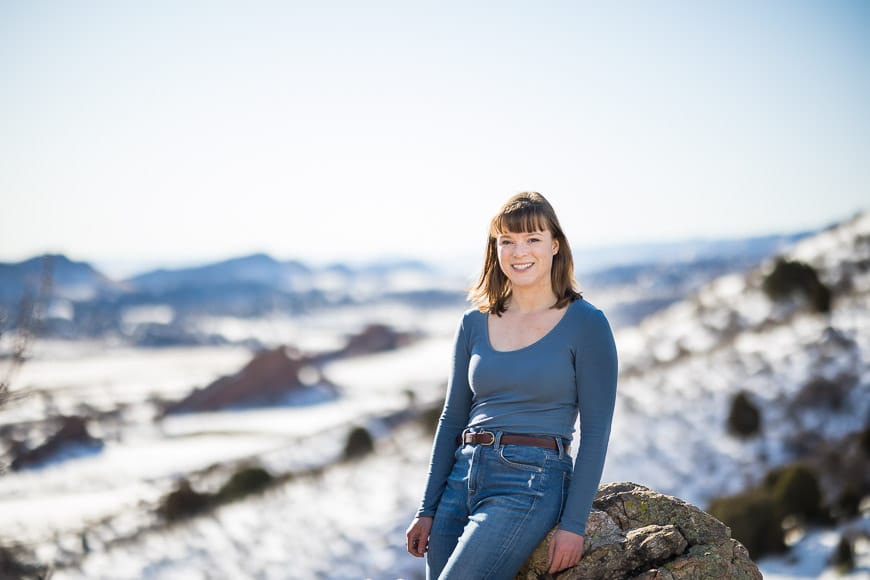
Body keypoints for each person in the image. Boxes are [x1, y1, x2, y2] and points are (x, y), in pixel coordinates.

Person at [405, 191, 618, 579]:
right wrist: (427, 508)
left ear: (555, 245)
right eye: (507, 241)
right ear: (495, 249)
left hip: (529, 480)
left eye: (532, 239)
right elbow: (452, 419)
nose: (519, 252)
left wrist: (574, 524)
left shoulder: (587, 324)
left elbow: (597, 430)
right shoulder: (473, 323)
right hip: (461, 476)